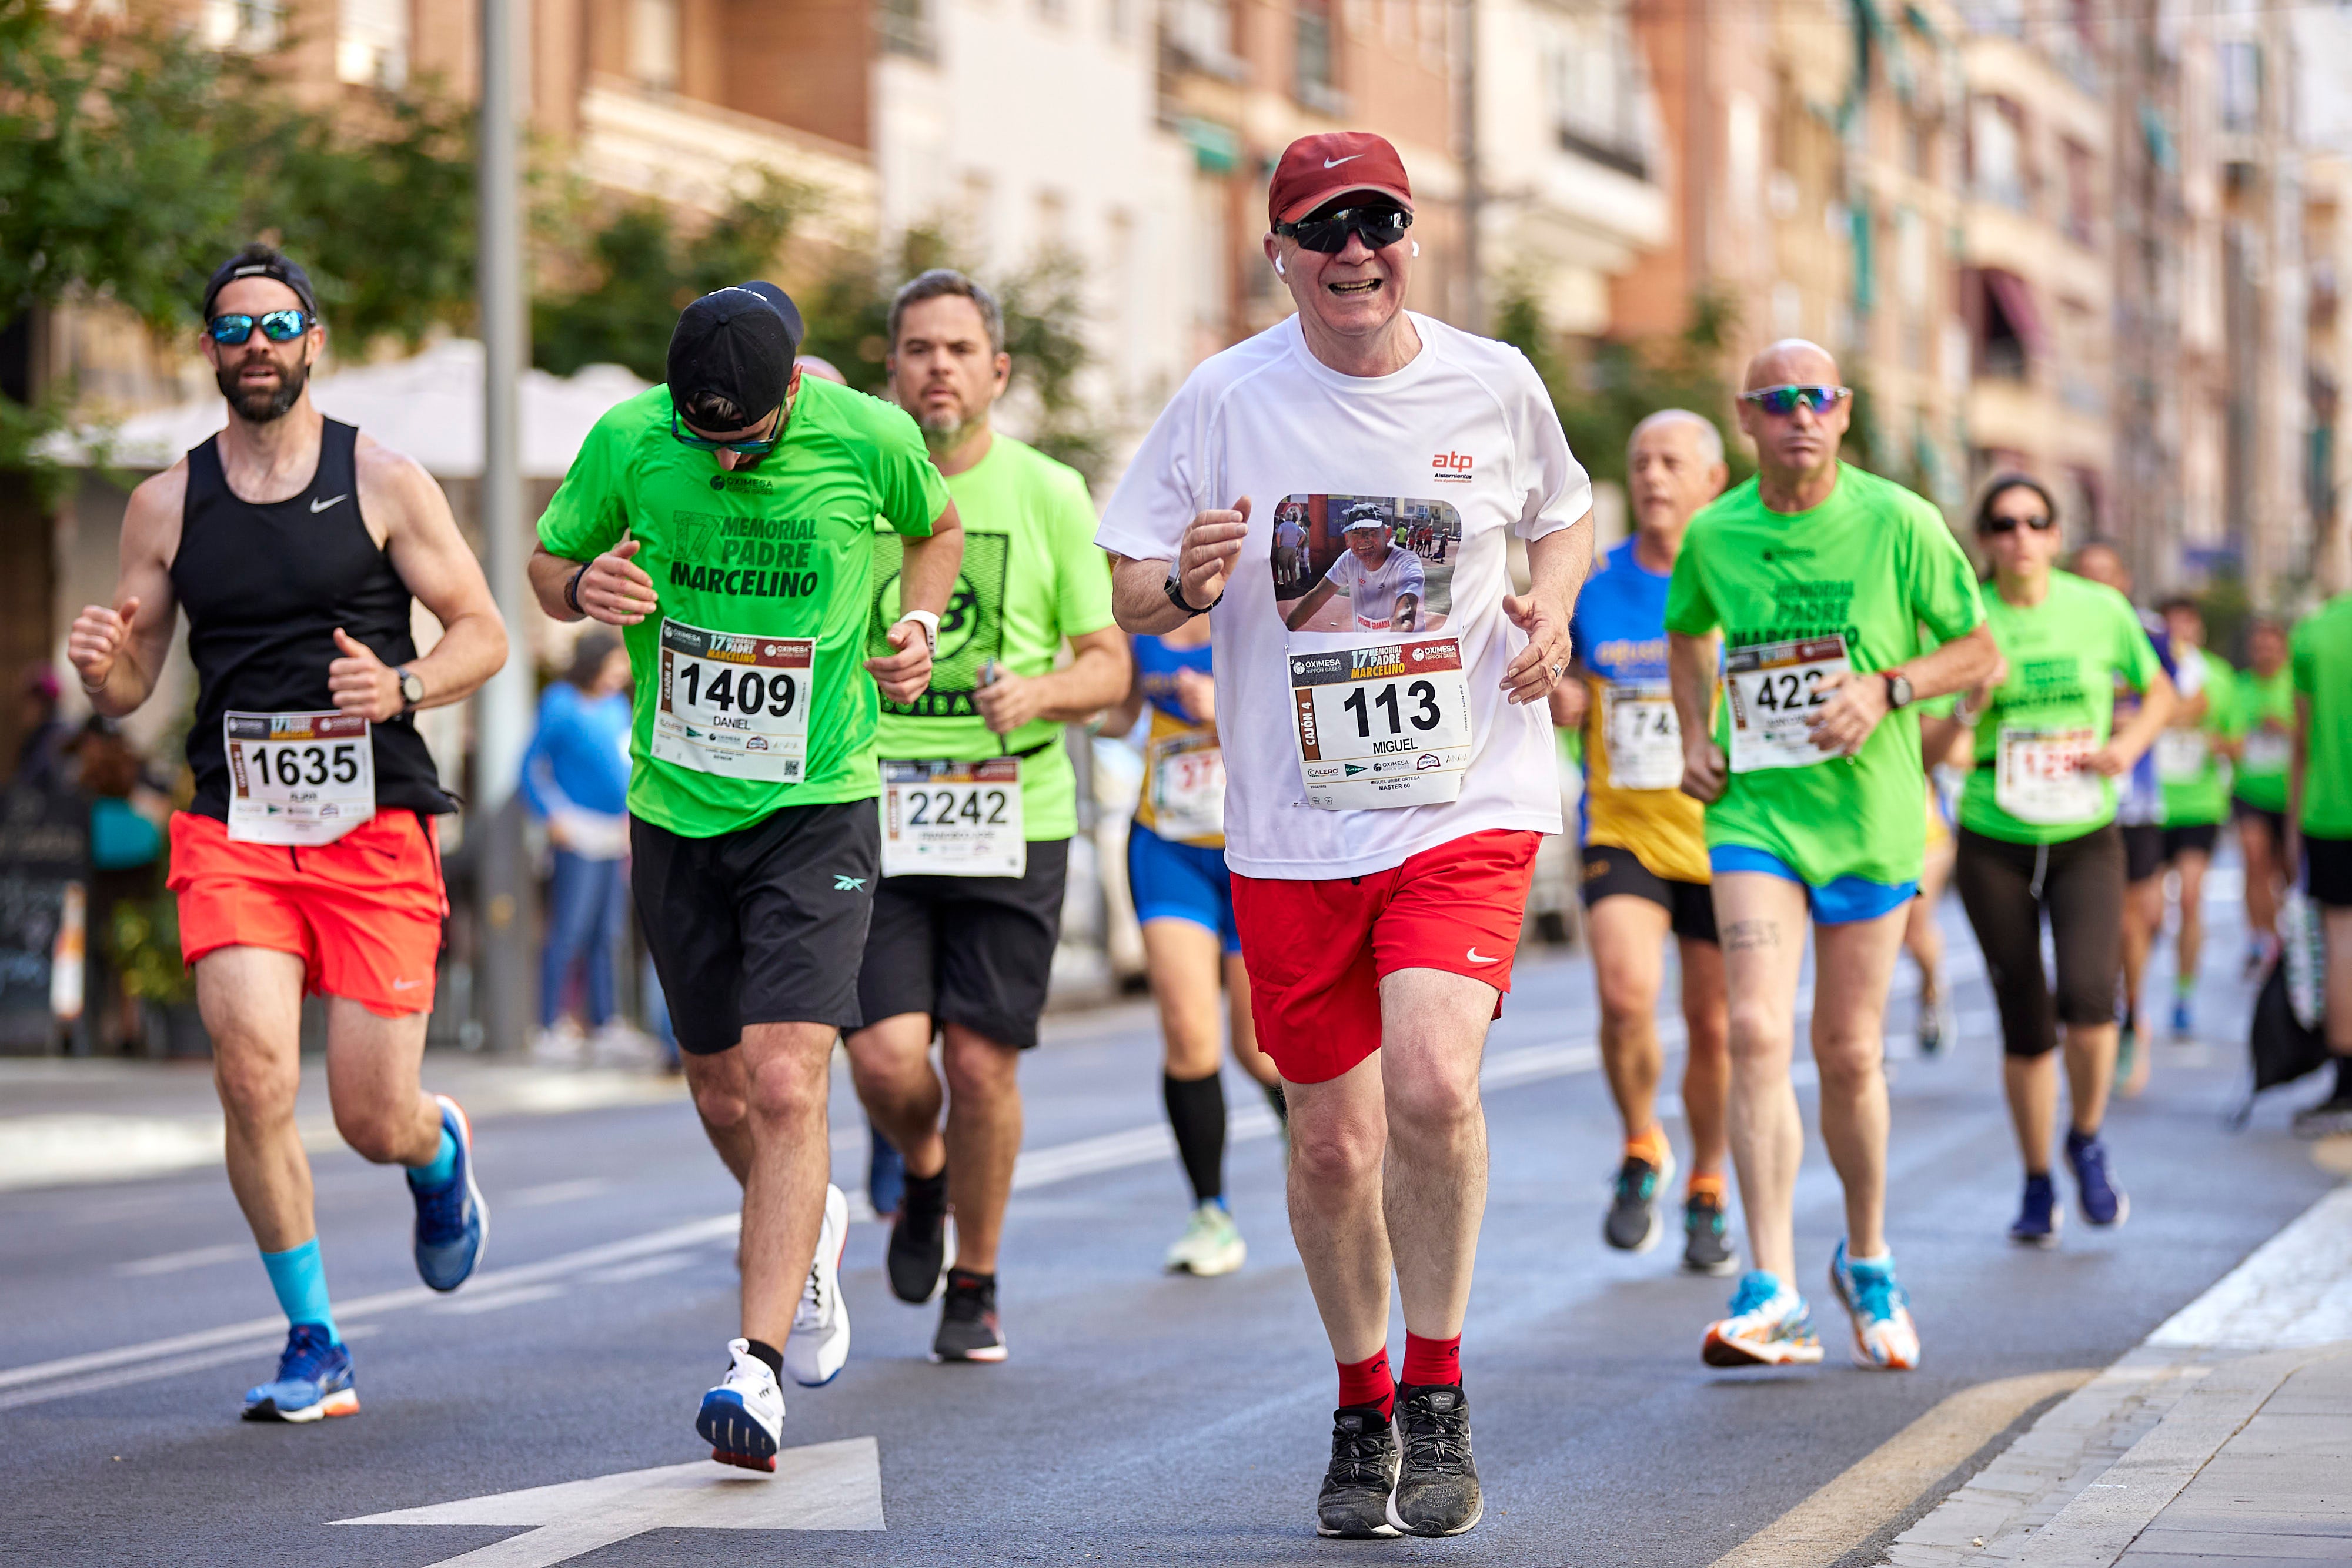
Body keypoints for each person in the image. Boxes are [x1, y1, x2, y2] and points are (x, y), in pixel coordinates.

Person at [1099, 131, 1593, 1539]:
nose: (1353, 251)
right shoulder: (1222, 398)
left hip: (1467, 794)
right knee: (1328, 1148)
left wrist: (1549, 614)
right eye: (1322, 231)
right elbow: (1130, 584)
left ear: (1411, 232)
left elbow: (1565, 519)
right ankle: (1360, 1401)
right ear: (1279, 257)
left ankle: (1436, 1397)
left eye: (1375, 221)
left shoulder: (1492, 383)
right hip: (1292, 827)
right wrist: (1176, 580)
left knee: (1433, 1084)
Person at [66, 243, 508, 1422]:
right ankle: (314, 1338)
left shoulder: (386, 479)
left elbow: (482, 628)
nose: (254, 347)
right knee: (253, 1072)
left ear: (315, 341)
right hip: (236, 824)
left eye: (277, 326)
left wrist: (405, 688)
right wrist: (107, 672)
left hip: (374, 827)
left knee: (369, 1111)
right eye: (231, 330)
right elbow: (135, 676)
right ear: (208, 350)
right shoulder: (165, 503)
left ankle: (434, 1152)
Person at [532, 280, 961, 1469]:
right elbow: (548, 560)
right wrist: (582, 588)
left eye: (746, 436)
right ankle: (805, 1216)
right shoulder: (627, 437)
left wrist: (919, 628)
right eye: (702, 434)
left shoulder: (869, 435)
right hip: (674, 807)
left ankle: (756, 1366)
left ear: (795, 387)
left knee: (784, 1082)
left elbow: (937, 527)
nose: (721, 455)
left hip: (818, 803)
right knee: (723, 1092)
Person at [1665, 342, 1996, 1373]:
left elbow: (1980, 649)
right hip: (1757, 816)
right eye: (1778, 402)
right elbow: (1687, 634)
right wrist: (1691, 733)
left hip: (1871, 819)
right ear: (1747, 419)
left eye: (1817, 399)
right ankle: (1772, 1287)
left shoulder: (1899, 521)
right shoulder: (1716, 534)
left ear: (1843, 412)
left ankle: (1868, 1252)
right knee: (1755, 1026)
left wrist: (1890, 687)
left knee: (1848, 1050)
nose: (1799, 416)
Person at [838, 270, 1125, 1364]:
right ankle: (922, 1169)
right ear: (893, 368)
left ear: (997, 372)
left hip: (1016, 812)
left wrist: (1038, 692)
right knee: (883, 1061)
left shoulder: (1049, 491)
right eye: (918, 349)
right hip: (875, 804)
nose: (938, 368)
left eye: (959, 349)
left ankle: (979, 1276)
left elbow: (1109, 666)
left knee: (983, 1064)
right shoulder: (853, 487)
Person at [1926, 476, 2173, 1246]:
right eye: (2003, 524)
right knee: (2025, 1013)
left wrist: (2126, 749)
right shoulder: (1964, 621)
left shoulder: (2099, 610)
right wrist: (1969, 700)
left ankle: (2087, 1137)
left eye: (2036, 522)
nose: (2021, 536)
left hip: (2086, 829)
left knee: (2094, 992)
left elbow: (2159, 690)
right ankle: (2037, 1179)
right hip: (1995, 836)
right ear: (1987, 540)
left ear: (2057, 535)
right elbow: (1938, 748)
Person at [1551, 409, 1735, 1273]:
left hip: (1729, 832)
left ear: (1714, 480)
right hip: (1622, 825)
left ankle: (1707, 1179)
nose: (1654, 476)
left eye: (1672, 461)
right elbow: (1565, 677)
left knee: (1716, 1024)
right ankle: (1641, 1144)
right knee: (1627, 996)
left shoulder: (1745, 579)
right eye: (1640, 460)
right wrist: (1566, 694)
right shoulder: (1593, 582)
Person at [1108, 621, 1288, 1275]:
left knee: (1258, 1045)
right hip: (1168, 846)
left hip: (1255, 849)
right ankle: (1210, 1212)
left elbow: (1305, 716)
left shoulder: (1262, 606)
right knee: (1188, 1033)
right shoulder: (1138, 616)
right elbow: (1114, 713)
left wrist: (1229, 709)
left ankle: (1304, 1129)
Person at [2069, 540, 2173, 1094]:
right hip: (2069, 799)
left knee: (2133, 920)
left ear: (2125, 581)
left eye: (2105, 575)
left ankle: (2132, 1014)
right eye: (2085, 575)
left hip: (2134, 799)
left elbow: (2174, 696)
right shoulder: (2056, 622)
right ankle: (2096, 1010)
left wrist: (2128, 730)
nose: (2096, 586)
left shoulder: (2148, 633)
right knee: (2093, 926)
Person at [520, 631, 638, 1063]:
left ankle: (606, 1021)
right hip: (577, 831)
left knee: (608, 932)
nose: (619, 673)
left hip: (614, 831)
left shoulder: (616, 705)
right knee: (568, 928)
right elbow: (530, 765)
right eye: (613, 664)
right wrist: (552, 815)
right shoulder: (560, 703)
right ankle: (549, 1023)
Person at [2151, 595, 2234, 1041]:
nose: (2180, 631)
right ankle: (2131, 998)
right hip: (2153, 805)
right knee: (2147, 913)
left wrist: (2209, 742)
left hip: (2200, 803)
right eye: (2172, 624)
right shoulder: (2147, 668)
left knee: (2189, 900)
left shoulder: (2217, 675)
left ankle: (2184, 995)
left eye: (2187, 623)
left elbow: (2235, 739)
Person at [2287, 586, 2352, 1137]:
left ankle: (2346, 1084)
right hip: (2328, 814)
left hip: (2330, 814)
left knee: (2342, 945)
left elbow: (2301, 743)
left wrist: (2291, 829)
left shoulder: (2314, 632)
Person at [2229, 617, 2296, 971]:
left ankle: (2289, 937)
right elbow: (2225, 734)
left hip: (2291, 796)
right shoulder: (2239, 687)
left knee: (2289, 870)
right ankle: (2261, 938)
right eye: (2259, 646)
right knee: (2255, 862)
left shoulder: (2297, 683)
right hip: (2250, 790)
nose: (2265, 652)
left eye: (2272, 645)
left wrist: (2285, 729)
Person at [1284, 500, 1428, 633]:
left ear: (1387, 534)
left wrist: (1389, 654)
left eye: (1371, 532)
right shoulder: (1349, 560)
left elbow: (1405, 618)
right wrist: (1285, 632)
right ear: (1347, 540)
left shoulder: (1406, 563)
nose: (1363, 540)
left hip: (1400, 654)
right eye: (1356, 534)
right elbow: (1316, 597)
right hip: (1366, 653)